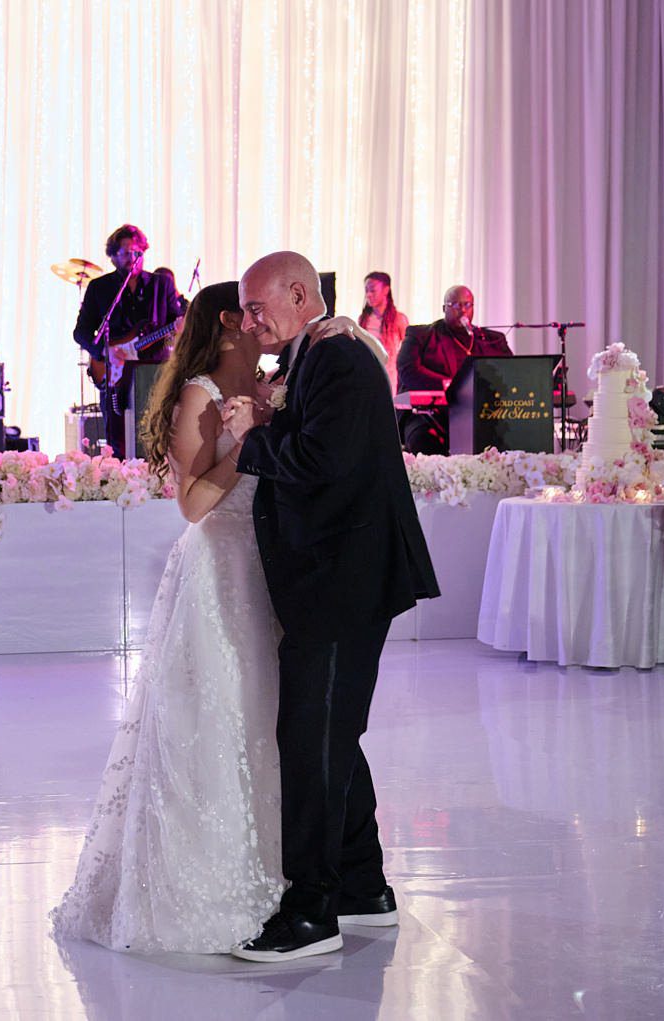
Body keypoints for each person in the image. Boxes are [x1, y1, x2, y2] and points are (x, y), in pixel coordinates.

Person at [51, 284, 368, 954]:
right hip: (220, 570)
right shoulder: (198, 392)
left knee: (285, 722)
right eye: (252, 312)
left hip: (277, 570)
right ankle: (217, 884)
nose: (264, 323)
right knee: (219, 717)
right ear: (229, 322)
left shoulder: (278, 380)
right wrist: (241, 444)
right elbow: (192, 503)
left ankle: (299, 873)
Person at [222, 251, 439, 962]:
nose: (251, 323)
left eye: (259, 308)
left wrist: (255, 434)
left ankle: (311, 909)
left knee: (310, 738)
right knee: (330, 733)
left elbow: (322, 463)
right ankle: (363, 885)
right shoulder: (317, 351)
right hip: (336, 576)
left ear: (299, 293)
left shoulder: (339, 357)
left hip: (343, 579)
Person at [73, 225, 182, 454]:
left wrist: (180, 328)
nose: (132, 258)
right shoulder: (99, 288)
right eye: (125, 253)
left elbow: (175, 322)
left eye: (137, 252)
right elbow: (81, 332)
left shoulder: (161, 285)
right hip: (114, 373)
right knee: (118, 439)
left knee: (155, 434)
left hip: (152, 370)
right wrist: (103, 353)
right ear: (113, 257)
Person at [397, 284, 512, 454]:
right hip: (428, 415)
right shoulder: (421, 335)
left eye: (468, 305)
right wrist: (452, 385)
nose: (463, 310)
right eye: (456, 305)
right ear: (444, 308)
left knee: (506, 438)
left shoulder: (490, 339)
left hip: (480, 415)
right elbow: (408, 371)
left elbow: (511, 371)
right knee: (424, 441)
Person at [357, 271, 407, 392]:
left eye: (373, 290)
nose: (368, 294)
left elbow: (406, 350)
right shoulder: (363, 320)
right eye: (366, 290)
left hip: (389, 376)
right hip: (367, 374)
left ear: (386, 290)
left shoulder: (398, 319)